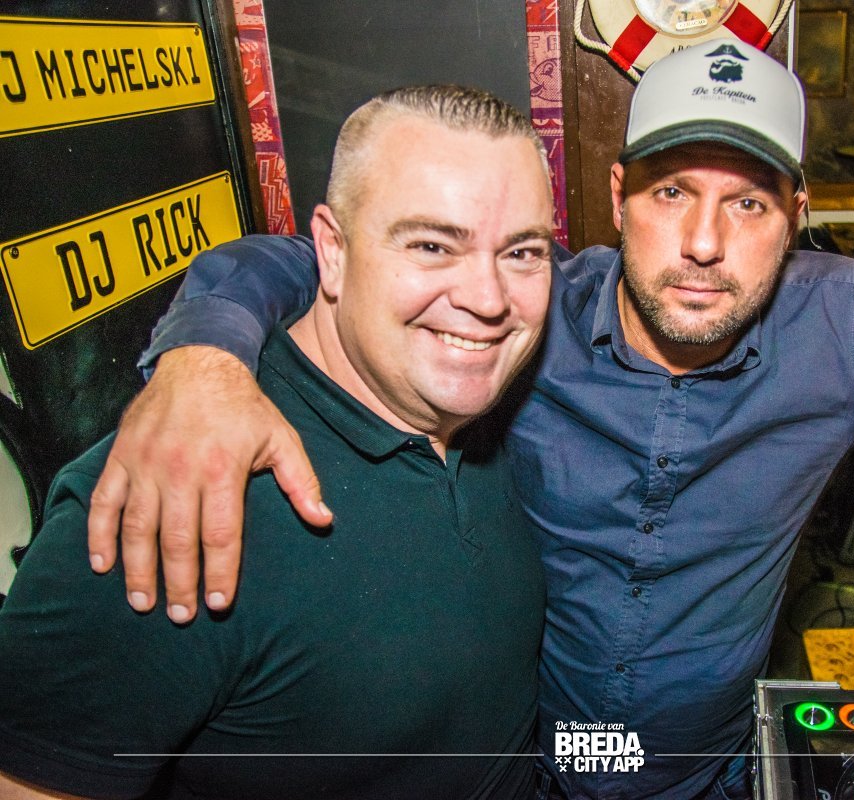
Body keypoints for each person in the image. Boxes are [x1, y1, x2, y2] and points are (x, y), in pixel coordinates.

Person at [89, 41, 854, 800]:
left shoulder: (847, 329)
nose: (704, 243)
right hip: (535, 758)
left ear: (796, 215)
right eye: (672, 193)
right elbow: (319, 258)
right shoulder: (525, 313)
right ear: (616, 196)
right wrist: (203, 354)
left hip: (708, 766)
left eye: (747, 203)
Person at [0, 85, 554, 799]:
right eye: (430, 246)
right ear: (332, 251)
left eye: (522, 252)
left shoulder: (476, 400)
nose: (488, 298)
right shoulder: (176, 493)